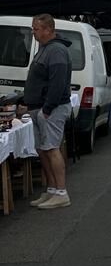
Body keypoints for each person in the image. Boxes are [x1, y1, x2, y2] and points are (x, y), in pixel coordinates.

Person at [25, 14, 73, 210]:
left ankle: (62, 192)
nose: (33, 32)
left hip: (51, 109)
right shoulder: (44, 49)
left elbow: (57, 83)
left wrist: (47, 108)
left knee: (52, 148)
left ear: (47, 30)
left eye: (36, 29)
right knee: (43, 149)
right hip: (39, 108)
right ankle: (52, 189)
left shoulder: (56, 51)